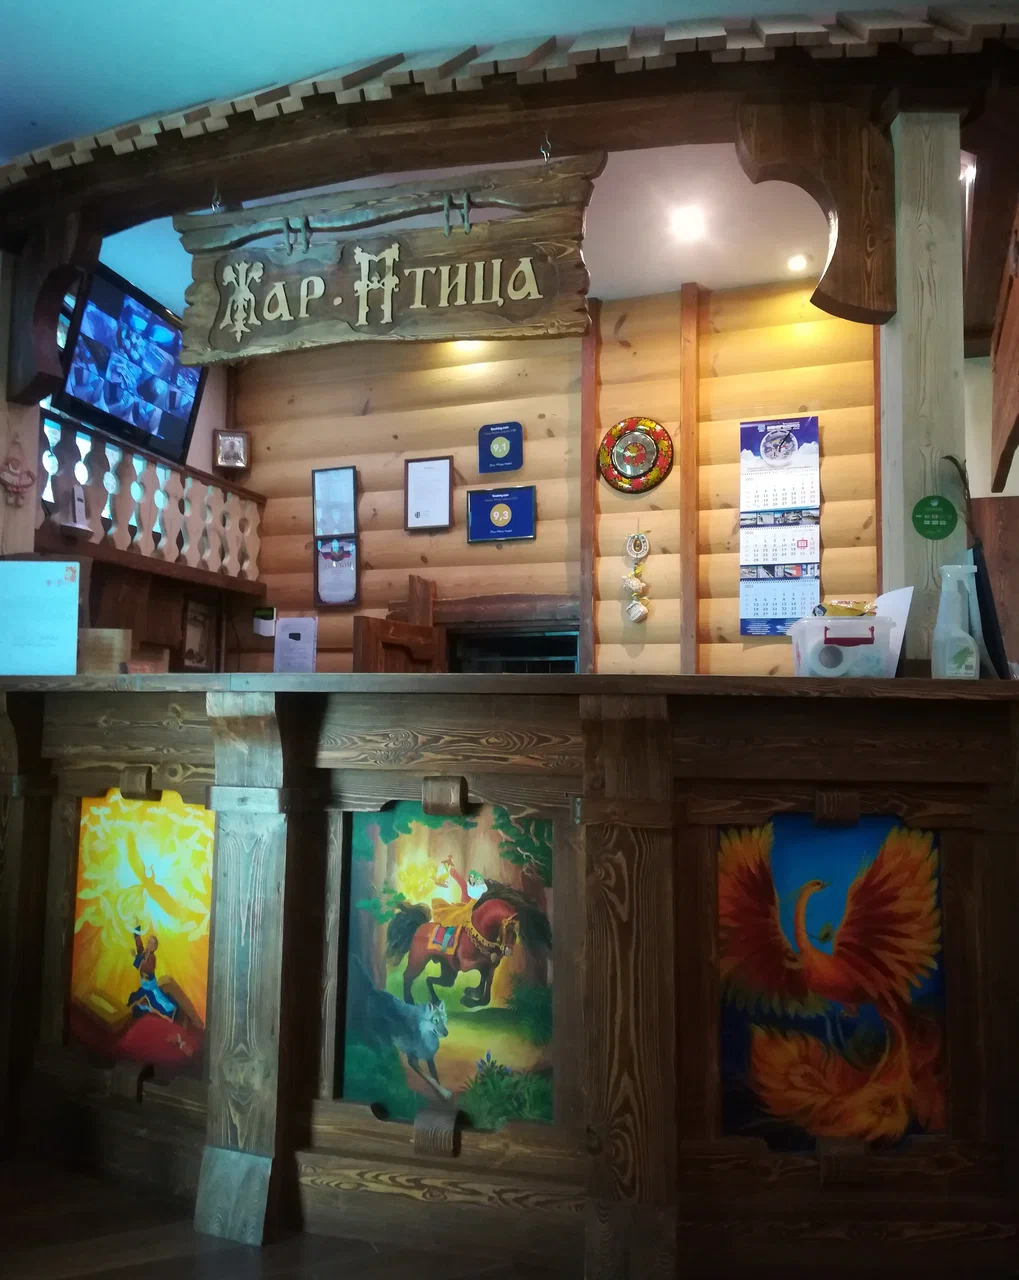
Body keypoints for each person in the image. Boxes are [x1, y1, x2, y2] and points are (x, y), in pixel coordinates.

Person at [127, 926, 179, 1020]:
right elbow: (139, 946)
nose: (150, 945)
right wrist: (136, 931)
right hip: (144, 986)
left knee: (158, 1004)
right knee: (132, 998)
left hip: (150, 987)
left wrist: (135, 956)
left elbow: (146, 968)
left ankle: (171, 1012)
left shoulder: (152, 958)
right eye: (149, 942)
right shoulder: (143, 953)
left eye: (152, 943)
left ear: (155, 947)